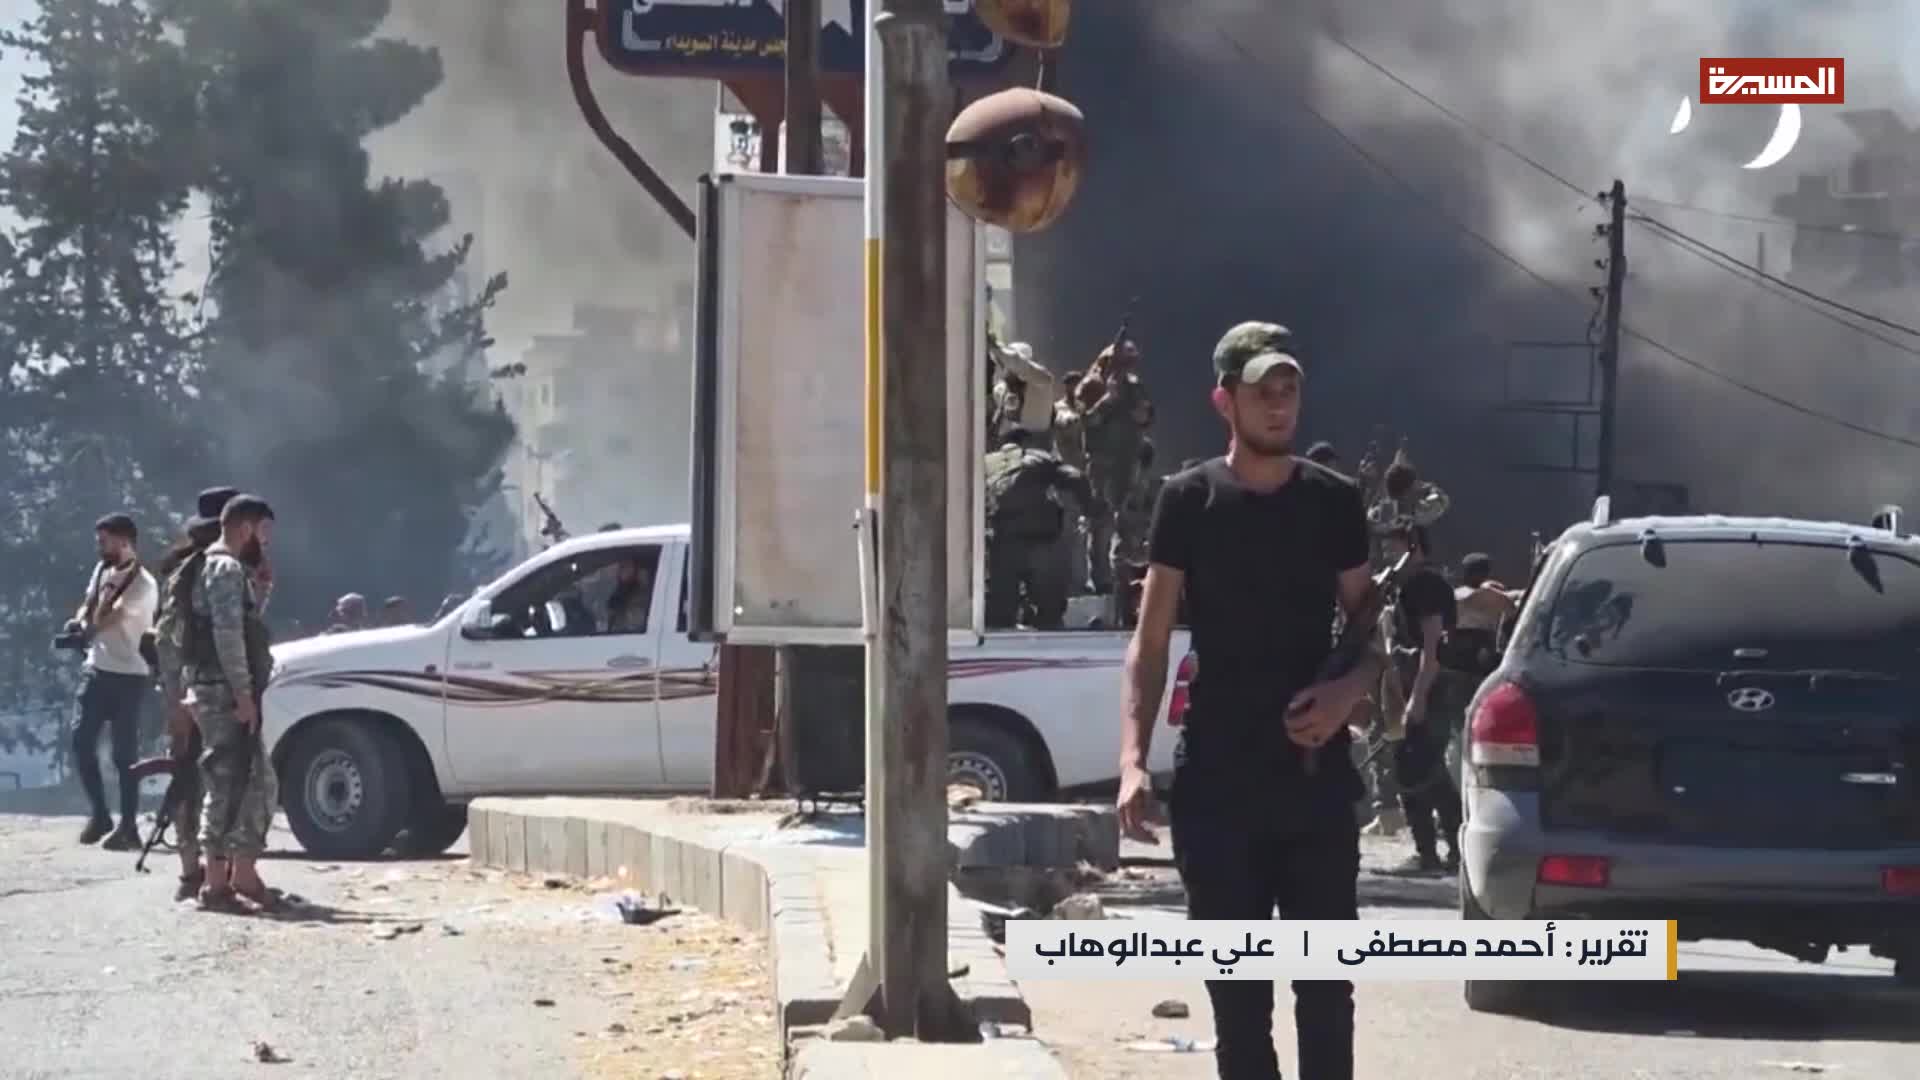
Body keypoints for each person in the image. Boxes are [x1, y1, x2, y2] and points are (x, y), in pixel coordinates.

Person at [1118, 322, 1380, 1080]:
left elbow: (1372, 632)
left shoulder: (1334, 501)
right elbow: (1151, 641)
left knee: (1325, 993)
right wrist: (1132, 761)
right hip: (1219, 785)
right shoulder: (1188, 500)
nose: (1278, 404)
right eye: (1262, 391)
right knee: (1239, 1004)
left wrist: (1344, 693)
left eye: (1289, 390)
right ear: (1224, 401)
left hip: (1314, 785)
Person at [185, 495, 279, 911]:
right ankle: (220, 881)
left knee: (243, 780)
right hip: (224, 692)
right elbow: (227, 635)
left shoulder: (222, 568)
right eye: (264, 530)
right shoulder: (224, 568)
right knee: (237, 782)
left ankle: (235, 876)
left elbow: (242, 625)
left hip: (218, 688)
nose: (266, 540)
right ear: (245, 528)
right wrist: (243, 694)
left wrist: (261, 591)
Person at [152, 486, 239, 899]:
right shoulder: (208, 571)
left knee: (191, 777)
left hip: (186, 687)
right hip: (205, 689)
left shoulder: (183, 569)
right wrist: (177, 700)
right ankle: (209, 873)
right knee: (215, 780)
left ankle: (195, 871)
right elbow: (171, 639)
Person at [71, 513, 160, 850]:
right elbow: (90, 604)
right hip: (96, 670)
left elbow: (109, 617)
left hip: (129, 675)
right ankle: (100, 814)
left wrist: (88, 627)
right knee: (81, 741)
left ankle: (128, 826)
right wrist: (77, 621)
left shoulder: (142, 585)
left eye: (104, 541)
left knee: (125, 756)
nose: (99, 547)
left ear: (124, 541)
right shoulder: (102, 570)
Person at [1381, 523, 1461, 874]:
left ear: (1415, 548)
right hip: (1408, 685)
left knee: (1418, 771)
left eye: (1395, 547)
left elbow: (1432, 648)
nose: (1388, 554)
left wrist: (1418, 697)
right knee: (1426, 770)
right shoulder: (1401, 586)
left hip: (1429, 688)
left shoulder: (1425, 586)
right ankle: (1446, 850)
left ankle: (1432, 852)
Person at [983, 431, 1090, 629]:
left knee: (1001, 612)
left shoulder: (986, 462)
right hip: (1040, 538)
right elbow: (1076, 476)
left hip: (1002, 540)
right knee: (1050, 610)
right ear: (1025, 442)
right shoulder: (1037, 457)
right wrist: (1089, 507)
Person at [1081, 337, 1153, 595]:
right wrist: (1108, 400)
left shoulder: (1135, 386)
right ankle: (1100, 580)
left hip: (1129, 458)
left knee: (1129, 516)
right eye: (1122, 363)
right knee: (1100, 520)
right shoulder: (1093, 385)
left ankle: (1125, 572)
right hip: (1103, 462)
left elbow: (1146, 416)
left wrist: (1140, 413)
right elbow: (1086, 421)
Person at [990, 338, 1055, 443]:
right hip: (1009, 446)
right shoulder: (1001, 390)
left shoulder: (1042, 383)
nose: (1005, 368)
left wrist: (995, 347)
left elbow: (1022, 367)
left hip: (1037, 446)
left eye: (1007, 363)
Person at [605, 557, 654, 633]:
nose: (620, 571)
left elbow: (635, 623)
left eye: (625, 566)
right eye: (621, 567)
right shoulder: (619, 593)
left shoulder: (645, 596)